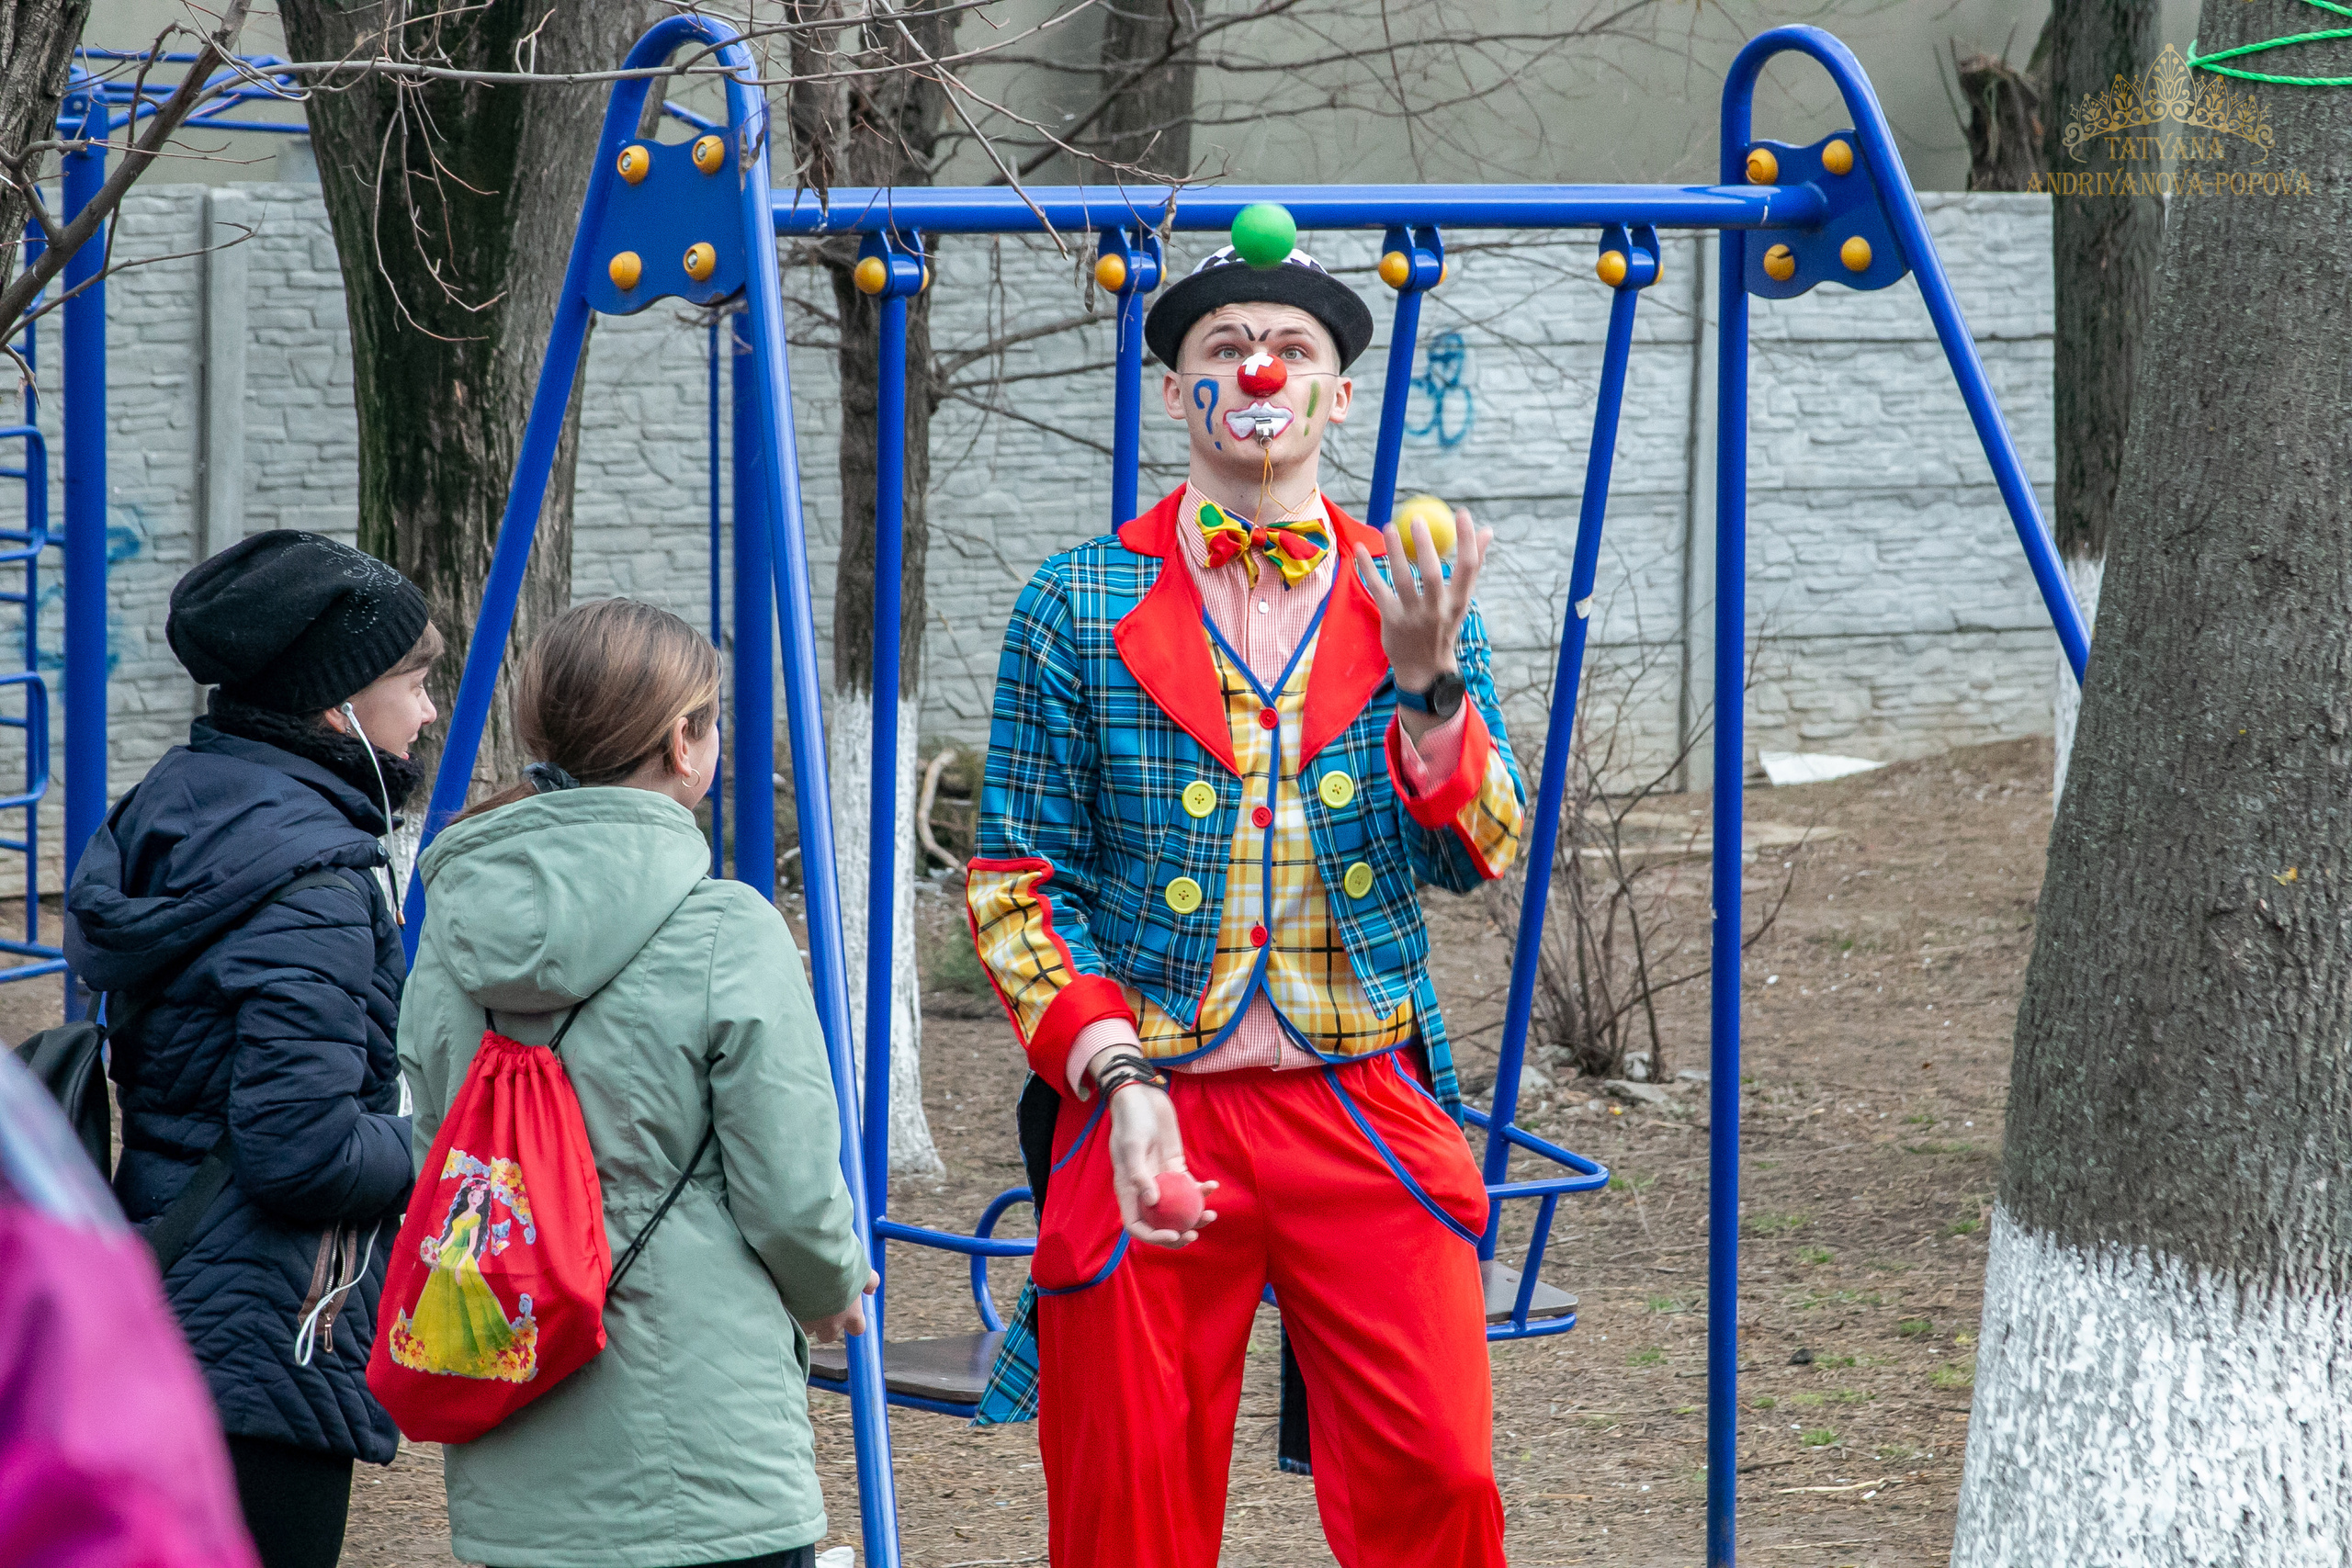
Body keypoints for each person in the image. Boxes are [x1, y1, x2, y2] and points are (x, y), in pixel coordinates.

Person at [965, 241, 1527, 1567]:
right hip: (1148, 1100)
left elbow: (1479, 855)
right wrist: (1114, 1074)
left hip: (1366, 1096)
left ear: (1337, 397)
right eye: (1223, 348)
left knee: (1442, 1475)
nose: (1259, 367)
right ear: (1175, 393)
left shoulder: (1414, 586)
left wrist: (1428, 690)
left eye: (1292, 348)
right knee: (1128, 1508)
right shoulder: (1073, 600)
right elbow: (1016, 888)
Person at [397, 597, 871, 1568]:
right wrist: (829, 1289)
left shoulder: (448, 935)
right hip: (708, 1440)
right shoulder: (723, 930)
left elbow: (433, 1156)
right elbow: (787, 1182)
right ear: (682, 742)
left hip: (517, 1396)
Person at [64, 530, 442, 1568]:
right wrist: (433, 1147)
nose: (428, 709)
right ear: (337, 701)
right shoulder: (311, 884)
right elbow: (299, 1149)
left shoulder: (187, 810)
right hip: (262, 1341)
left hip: (171, 1293)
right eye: (413, 679)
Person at [0, 1049, 259, 1568]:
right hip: (242, 1285)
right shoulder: (21, 1155)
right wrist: (401, 1141)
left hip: (171, 1235)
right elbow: (302, 1144)